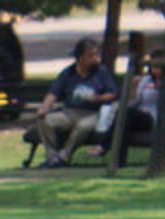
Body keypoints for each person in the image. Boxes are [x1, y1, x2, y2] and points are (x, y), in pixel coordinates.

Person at [34, 37, 118, 168]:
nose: (95, 58)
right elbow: (53, 93)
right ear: (80, 58)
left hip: (94, 113)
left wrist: (97, 98)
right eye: (91, 56)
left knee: (83, 126)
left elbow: (112, 94)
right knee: (44, 120)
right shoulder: (68, 73)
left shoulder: (101, 72)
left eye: (96, 54)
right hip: (70, 112)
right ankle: (52, 157)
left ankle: (64, 157)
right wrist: (44, 108)